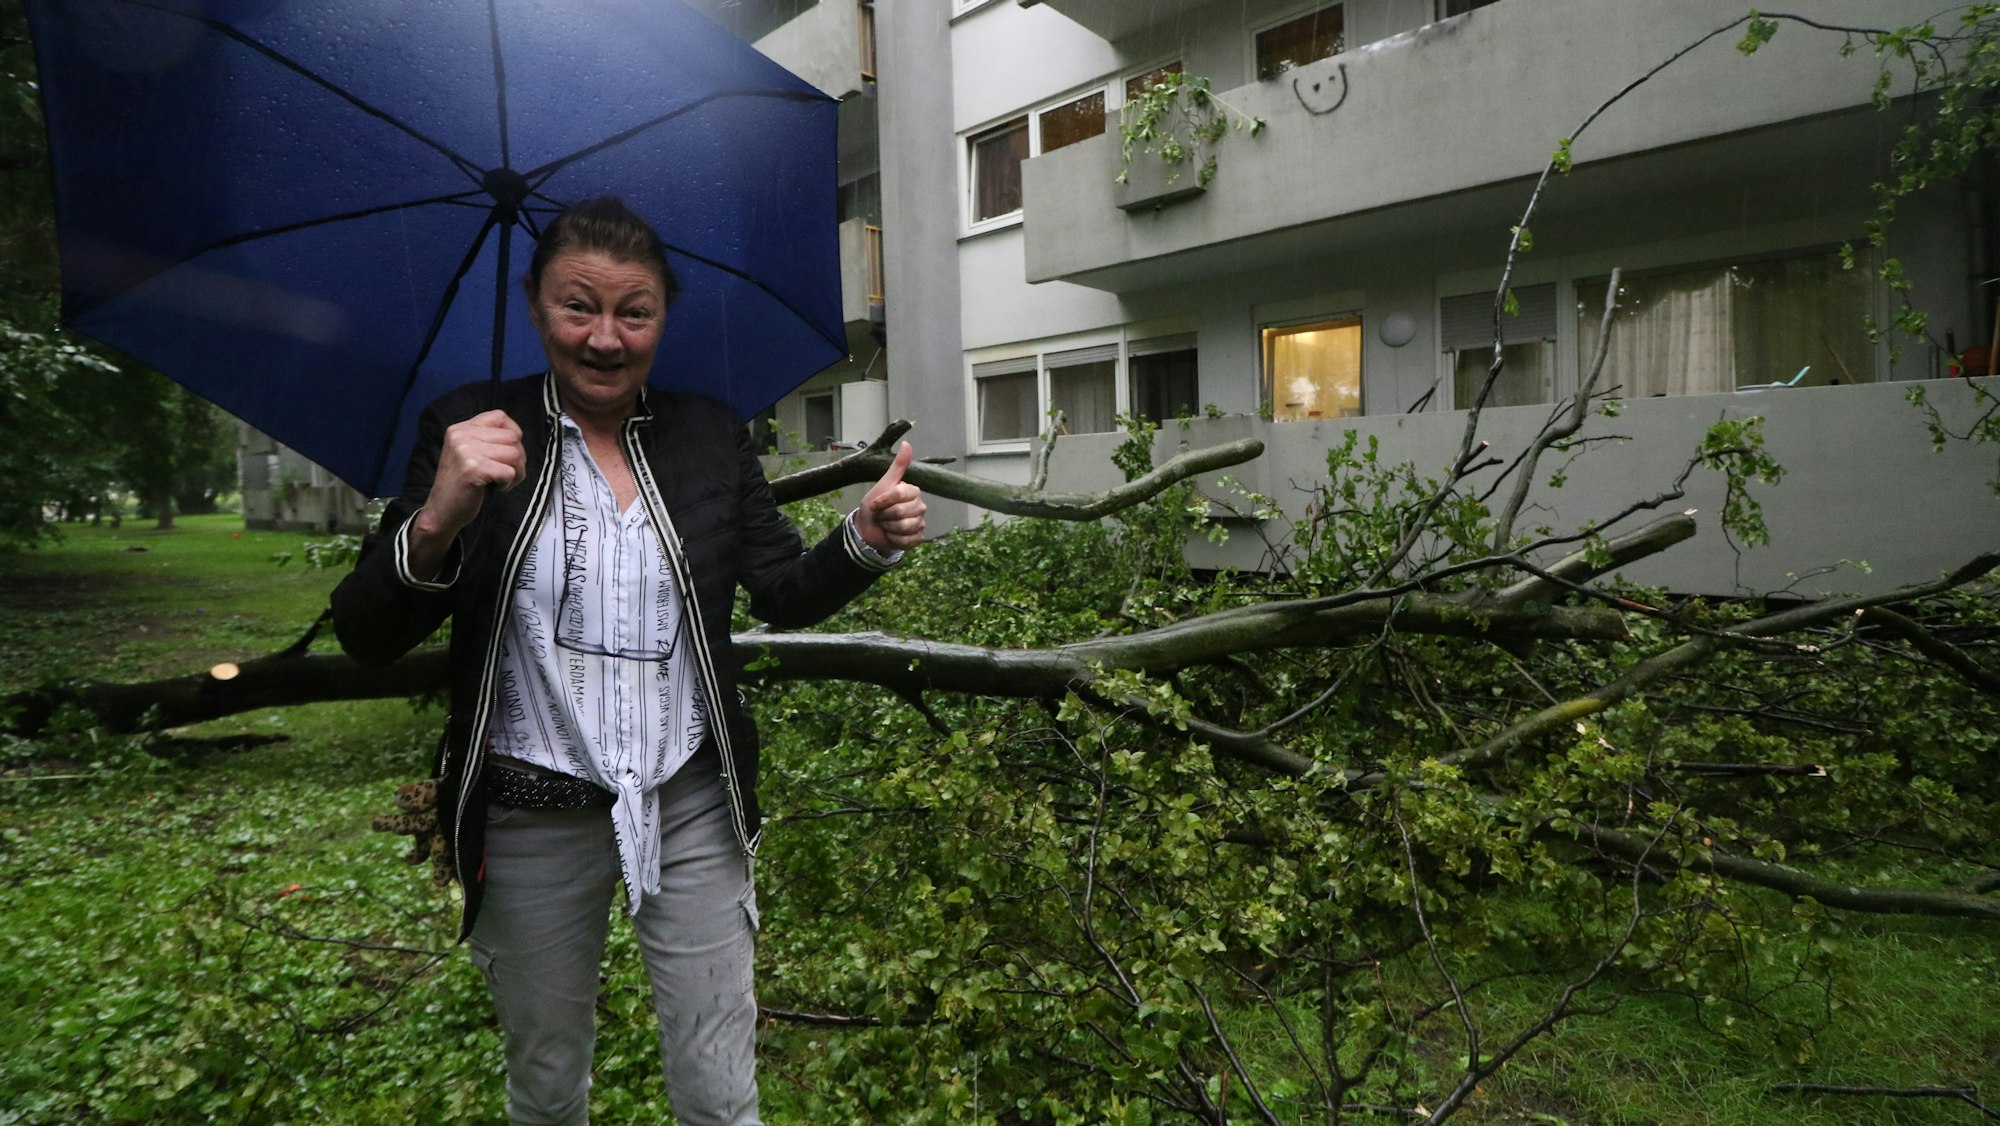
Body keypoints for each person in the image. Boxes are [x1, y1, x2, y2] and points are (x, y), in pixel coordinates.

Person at [331, 197, 925, 1126]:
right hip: (529, 814)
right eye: (578, 307)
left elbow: (779, 590)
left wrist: (863, 539)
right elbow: (367, 634)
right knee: (548, 1082)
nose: (605, 338)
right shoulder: (467, 431)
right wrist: (441, 514)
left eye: (633, 312)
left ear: (662, 317)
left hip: (690, 800)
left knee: (722, 1092)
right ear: (535, 306)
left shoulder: (707, 434)